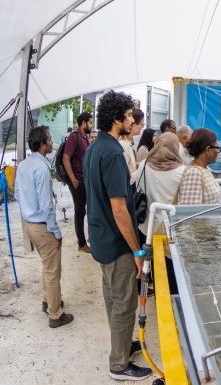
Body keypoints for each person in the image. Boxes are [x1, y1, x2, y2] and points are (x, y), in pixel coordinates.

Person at [83, 90, 152, 381]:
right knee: (125, 304)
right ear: (116, 119)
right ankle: (119, 365)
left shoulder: (95, 148)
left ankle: (122, 346)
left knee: (113, 298)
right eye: (127, 116)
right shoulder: (112, 153)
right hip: (116, 242)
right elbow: (120, 209)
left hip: (100, 238)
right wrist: (137, 250)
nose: (130, 121)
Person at [16, 126, 73, 328]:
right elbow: (47, 206)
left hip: (30, 225)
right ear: (42, 145)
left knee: (47, 267)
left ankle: (47, 300)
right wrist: (56, 232)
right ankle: (55, 315)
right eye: (49, 139)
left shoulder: (23, 165)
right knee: (53, 271)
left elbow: (17, 195)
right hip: (42, 226)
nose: (51, 142)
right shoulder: (41, 168)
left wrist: (28, 210)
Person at [135, 132, 185, 294]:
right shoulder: (182, 171)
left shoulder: (143, 165)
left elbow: (137, 185)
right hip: (170, 232)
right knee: (172, 272)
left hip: (146, 228)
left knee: (153, 266)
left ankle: (153, 289)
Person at [63, 111, 92, 254]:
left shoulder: (85, 138)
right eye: (90, 122)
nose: (91, 125)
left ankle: (88, 239)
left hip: (85, 180)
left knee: (86, 210)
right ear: (83, 122)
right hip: (78, 181)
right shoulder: (75, 136)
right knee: (80, 211)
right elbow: (66, 158)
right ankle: (81, 243)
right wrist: (73, 180)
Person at [175, 128, 221, 205]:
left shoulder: (203, 169)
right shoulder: (193, 173)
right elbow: (190, 212)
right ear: (208, 150)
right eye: (217, 148)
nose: (218, 152)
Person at [120, 108, 144, 173]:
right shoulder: (123, 144)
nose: (142, 127)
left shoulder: (129, 142)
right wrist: (141, 171)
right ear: (134, 125)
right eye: (142, 124)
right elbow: (126, 176)